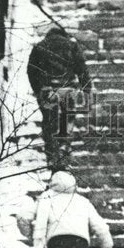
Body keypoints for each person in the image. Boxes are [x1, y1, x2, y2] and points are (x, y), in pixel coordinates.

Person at [27, 25, 92, 168]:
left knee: (49, 121)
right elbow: (81, 68)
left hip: (47, 89)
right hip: (67, 87)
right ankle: (64, 146)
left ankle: (51, 154)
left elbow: (31, 71)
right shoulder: (71, 45)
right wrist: (87, 88)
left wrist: (38, 89)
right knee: (66, 117)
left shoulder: (39, 47)